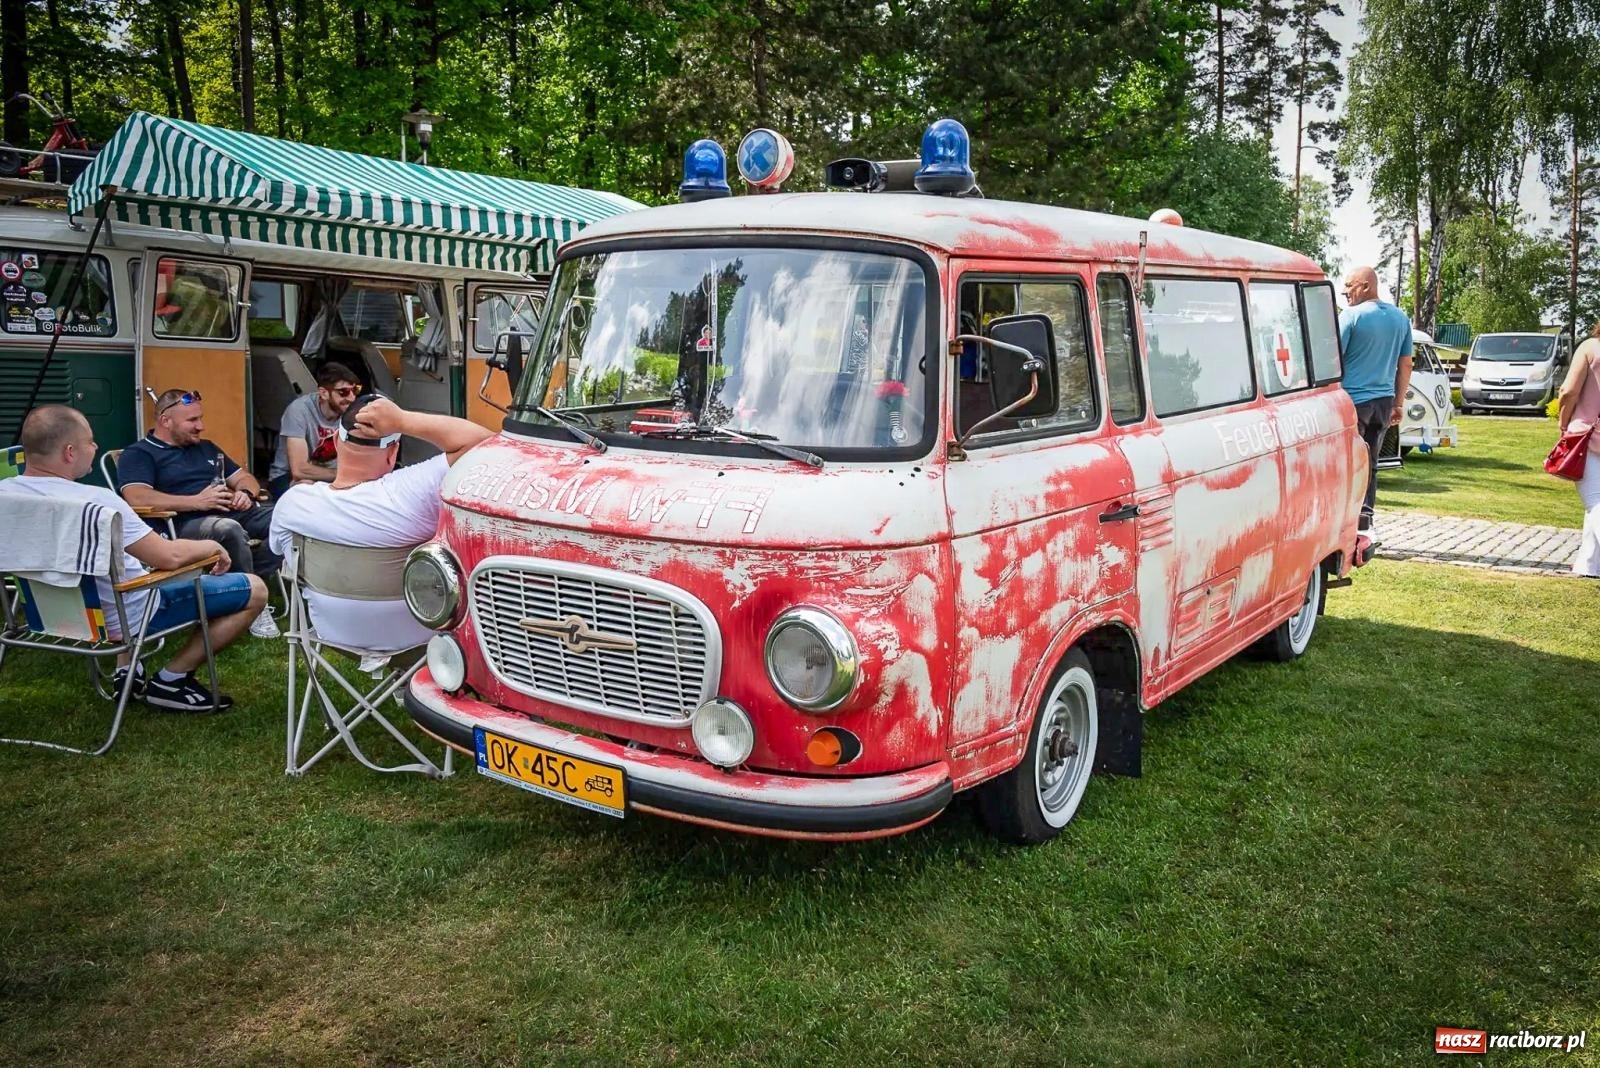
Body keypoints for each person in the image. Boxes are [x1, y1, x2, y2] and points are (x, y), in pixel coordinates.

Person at [0, 406, 266, 711]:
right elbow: (169, 557)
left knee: (122, 571)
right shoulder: (97, 503)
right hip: (123, 618)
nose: (95, 447)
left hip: (49, 613)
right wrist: (212, 547)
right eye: (90, 441)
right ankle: (172, 680)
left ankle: (127, 668)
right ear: (69, 452)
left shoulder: (6, 496)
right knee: (255, 589)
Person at [269, 394, 492, 653]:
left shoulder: (293, 504)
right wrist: (403, 420)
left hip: (331, 633)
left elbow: (279, 551)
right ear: (392, 452)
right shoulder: (410, 493)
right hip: (423, 635)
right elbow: (487, 445)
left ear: (336, 442)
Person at [116, 388, 282, 638]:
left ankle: (245, 583)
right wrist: (196, 502)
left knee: (286, 520)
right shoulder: (140, 454)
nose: (201, 426)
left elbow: (245, 478)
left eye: (200, 418)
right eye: (192, 420)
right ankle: (251, 598)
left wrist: (245, 493)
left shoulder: (206, 447)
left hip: (231, 512)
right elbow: (137, 497)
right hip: (182, 525)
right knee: (228, 530)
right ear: (165, 421)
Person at [1338, 266, 1413, 559]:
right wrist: (1398, 403)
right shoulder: (1401, 318)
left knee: (1345, 464)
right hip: (1382, 402)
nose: (1345, 291)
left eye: (1350, 285)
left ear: (1367, 286)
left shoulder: (1351, 317)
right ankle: (1365, 522)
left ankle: (1341, 522)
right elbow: (1405, 364)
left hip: (1352, 403)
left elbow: (1332, 357)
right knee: (1370, 463)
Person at [268, 361, 361, 497]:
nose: (352, 397)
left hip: (333, 478)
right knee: (306, 487)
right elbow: (299, 470)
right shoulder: (299, 410)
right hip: (287, 477)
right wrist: (343, 475)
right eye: (344, 392)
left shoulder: (353, 412)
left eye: (356, 390)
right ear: (324, 393)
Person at [1556, 321, 1600, 577]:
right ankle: (1588, 565)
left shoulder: (1590, 348)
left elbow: (1568, 391)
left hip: (1587, 435)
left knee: (1595, 501)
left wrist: (1563, 422)